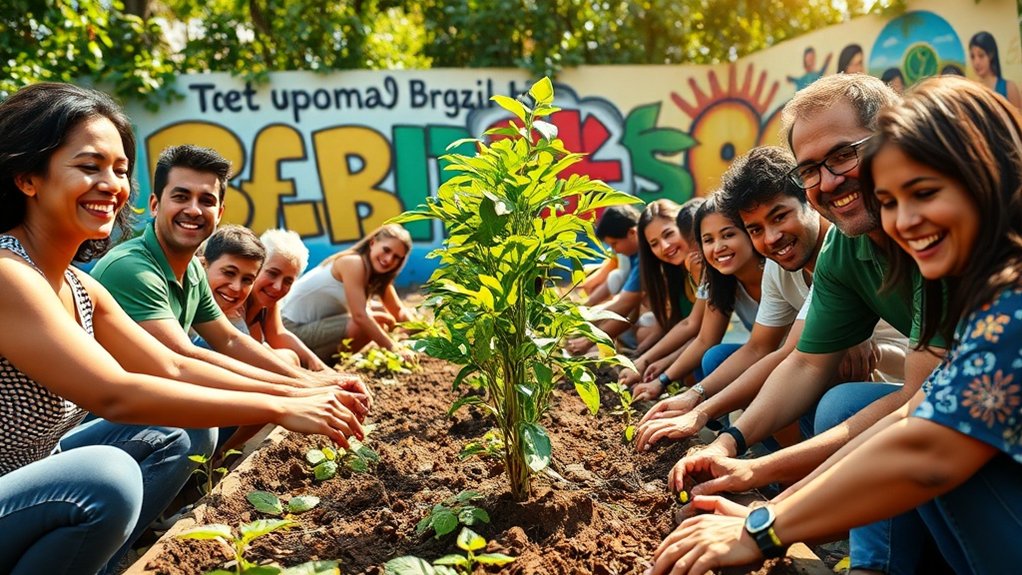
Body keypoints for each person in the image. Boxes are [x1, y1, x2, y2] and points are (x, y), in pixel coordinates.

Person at [647, 74, 1022, 575]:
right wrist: (760, 489)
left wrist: (764, 526)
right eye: (889, 201)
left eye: (925, 191)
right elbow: (899, 413)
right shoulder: (944, 272)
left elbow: (925, 445)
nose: (905, 222)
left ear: (986, 175)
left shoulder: (1005, 299)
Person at [0, 83, 366, 574]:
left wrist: (307, 387)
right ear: (28, 178)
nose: (111, 184)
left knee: (171, 436)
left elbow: (173, 363)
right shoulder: (9, 274)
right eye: (89, 166)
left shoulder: (77, 284)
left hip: (27, 479)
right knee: (106, 478)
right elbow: (115, 393)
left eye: (120, 169)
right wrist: (283, 403)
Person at [635, 146, 906, 452]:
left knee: (832, 398)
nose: (772, 237)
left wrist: (708, 416)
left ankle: (796, 477)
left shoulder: (836, 254)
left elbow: (795, 358)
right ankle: (788, 473)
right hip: (838, 374)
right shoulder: (779, 267)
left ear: (810, 201)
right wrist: (695, 398)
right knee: (725, 359)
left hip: (896, 376)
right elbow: (758, 347)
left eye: (780, 217)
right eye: (756, 229)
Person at [92, 145, 352, 394]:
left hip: (152, 399)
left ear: (219, 213)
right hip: (101, 413)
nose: (194, 210)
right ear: (155, 205)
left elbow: (230, 340)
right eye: (181, 197)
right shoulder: (132, 268)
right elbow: (181, 360)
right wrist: (302, 389)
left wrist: (315, 380)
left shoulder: (193, 270)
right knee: (202, 417)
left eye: (206, 200)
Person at [631, 195, 765, 401]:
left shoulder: (770, 271)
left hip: (766, 350)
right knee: (709, 358)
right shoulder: (718, 276)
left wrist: (656, 365)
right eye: (708, 240)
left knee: (712, 358)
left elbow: (696, 329)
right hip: (753, 350)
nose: (718, 247)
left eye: (728, 235)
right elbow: (698, 333)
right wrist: (656, 370)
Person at [282, 223, 415, 363]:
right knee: (368, 323)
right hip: (289, 329)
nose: (389, 259)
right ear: (373, 243)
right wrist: (395, 350)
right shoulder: (353, 262)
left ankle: (314, 363)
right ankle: (309, 364)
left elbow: (398, 311)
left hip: (310, 327)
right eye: (386, 250)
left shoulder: (376, 276)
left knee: (380, 317)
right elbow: (359, 316)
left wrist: (422, 335)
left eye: (396, 257)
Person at [619, 198, 705, 388]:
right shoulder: (673, 274)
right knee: (646, 330)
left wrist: (654, 366)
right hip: (698, 343)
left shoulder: (704, 267)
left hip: (709, 347)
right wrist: (640, 357)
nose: (665, 246)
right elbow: (672, 322)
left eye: (669, 234)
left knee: (702, 363)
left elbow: (699, 331)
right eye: (654, 244)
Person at [244, 228, 330, 371]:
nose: (277, 287)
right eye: (272, 273)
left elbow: (278, 334)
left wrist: (321, 368)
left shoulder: (268, 301)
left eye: (288, 281)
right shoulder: (235, 297)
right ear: (256, 265)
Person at [566, 204, 646, 355]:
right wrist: (583, 312)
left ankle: (635, 348)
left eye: (614, 244)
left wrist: (587, 336)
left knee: (644, 329)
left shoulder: (644, 257)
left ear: (632, 233)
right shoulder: (633, 253)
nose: (614, 250)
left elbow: (627, 303)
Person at [969, 31, 1021, 108]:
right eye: (972, 57)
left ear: (991, 55)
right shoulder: (971, 90)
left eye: (981, 55)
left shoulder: (1008, 88)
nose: (976, 62)